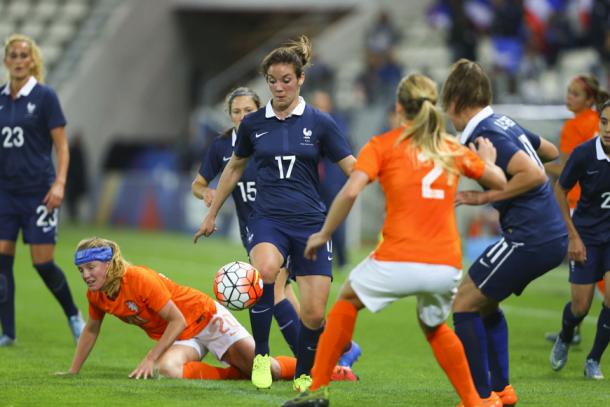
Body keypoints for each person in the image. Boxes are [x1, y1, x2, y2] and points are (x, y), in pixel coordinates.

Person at [283, 73, 507, 407]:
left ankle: (315, 390)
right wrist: (488, 163)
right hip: (445, 266)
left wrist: (325, 232)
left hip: (398, 258)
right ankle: (475, 401)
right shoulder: (450, 147)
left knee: (347, 300)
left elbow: (352, 189)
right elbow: (500, 182)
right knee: (433, 324)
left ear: (400, 107)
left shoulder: (385, 145)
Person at [194, 35, 356, 391]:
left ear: (300, 79)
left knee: (313, 314)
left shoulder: (321, 123)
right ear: (265, 82)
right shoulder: (254, 125)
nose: (279, 87)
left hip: (312, 224)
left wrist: (381, 178)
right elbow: (234, 168)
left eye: (286, 80)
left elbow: (352, 167)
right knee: (265, 270)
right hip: (267, 219)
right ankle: (262, 357)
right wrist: (210, 215)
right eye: (272, 80)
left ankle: (304, 371)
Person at [441, 59, 568, 406]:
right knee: (483, 304)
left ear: (455, 102)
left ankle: (481, 398)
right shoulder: (503, 122)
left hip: (530, 235)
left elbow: (536, 174)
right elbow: (551, 151)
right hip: (544, 232)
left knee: (464, 302)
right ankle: (502, 391)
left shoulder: (487, 133)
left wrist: (487, 194)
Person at [57, 237, 297, 381]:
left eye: (91, 267)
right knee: (167, 369)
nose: (86, 275)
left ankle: (317, 368)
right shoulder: (97, 295)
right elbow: (90, 330)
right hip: (180, 335)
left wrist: (149, 357)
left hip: (205, 318)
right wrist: (73, 371)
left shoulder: (139, 279)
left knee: (269, 370)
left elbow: (177, 319)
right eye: (81, 270)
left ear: (109, 264)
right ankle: (235, 374)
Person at [191, 87, 303, 355]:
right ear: (229, 116)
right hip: (251, 230)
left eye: (248, 111)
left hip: (280, 224)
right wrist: (206, 192)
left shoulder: (274, 138)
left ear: (260, 110)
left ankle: (308, 359)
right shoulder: (222, 146)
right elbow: (198, 183)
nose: (242, 116)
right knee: (283, 290)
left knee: (273, 290)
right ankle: (335, 349)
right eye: (236, 112)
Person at [0, 33, 85, 347]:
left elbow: (62, 148)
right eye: (13, 55)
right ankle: (8, 332)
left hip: (39, 192)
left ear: (33, 60)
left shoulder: (45, 96)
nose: (19, 60)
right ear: (6, 61)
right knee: (1, 262)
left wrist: (59, 183)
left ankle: (74, 314)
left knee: (42, 263)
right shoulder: (0, 98)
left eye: (24, 55)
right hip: (5, 194)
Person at [544, 74, 609, 345]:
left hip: (580, 205)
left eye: (575, 94)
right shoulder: (594, 123)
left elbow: (566, 170)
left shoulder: (577, 126)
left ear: (590, 100)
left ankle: (574, 326)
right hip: (599, 204)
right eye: (568, 92)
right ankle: (577, 327)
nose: (569, 98)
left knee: (592, 269)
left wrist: (534, 163)